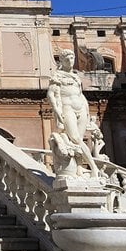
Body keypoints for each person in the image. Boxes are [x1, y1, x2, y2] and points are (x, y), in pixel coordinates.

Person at [47, 49, 99, 178]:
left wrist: (87, 110)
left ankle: (79, 168)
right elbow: (51, 94)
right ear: (61, 61)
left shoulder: (76, 76)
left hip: (81, 108)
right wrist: (57, 110)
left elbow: (81, 94)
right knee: (75, 138)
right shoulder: (57, 76)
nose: (70, 61)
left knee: (78, 141)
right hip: (67, 107)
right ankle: (94, 167)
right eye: (67, 59)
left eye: (72, 58)